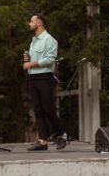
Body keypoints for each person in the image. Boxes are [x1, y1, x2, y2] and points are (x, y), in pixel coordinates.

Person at [23, 13, 66, 151]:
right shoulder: (33, 41)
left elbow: (50, 59)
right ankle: (42, 141)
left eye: (32, 21)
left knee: (48, 108)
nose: (29, 24)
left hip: (45, 77)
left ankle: (60, 136)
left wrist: (31, 64)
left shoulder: (49, 39)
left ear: (39, 23)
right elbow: (35, 59)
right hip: (33, 78)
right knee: (38, 110)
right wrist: (27, 59)